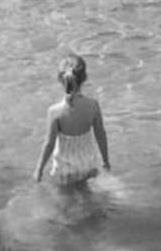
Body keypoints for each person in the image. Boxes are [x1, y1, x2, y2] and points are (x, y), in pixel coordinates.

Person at [34, 53, 110, 184]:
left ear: (60, 79)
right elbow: (101, 135)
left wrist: (39, 169)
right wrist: (105, 161)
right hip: (87, 162)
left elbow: (49, 144)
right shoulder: (93, 106)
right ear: (85, 78)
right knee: (85, 195)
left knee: (66, 201)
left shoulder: (55, 112)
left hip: (65, 166)